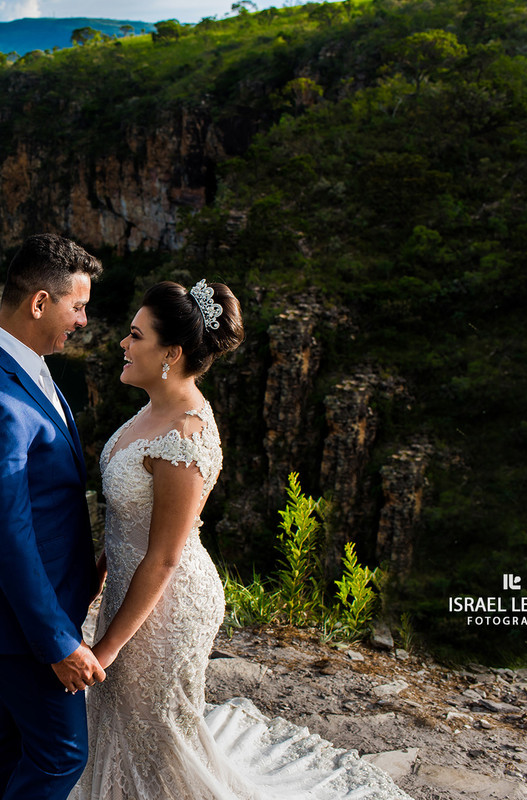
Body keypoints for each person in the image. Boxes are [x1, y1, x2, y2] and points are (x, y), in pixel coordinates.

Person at [72, 280, 413, 800]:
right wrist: (100, 569)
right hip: (130, 588)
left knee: (154, 732)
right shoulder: (153, 407)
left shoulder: (183, 436)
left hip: (168, 603)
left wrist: (107, 649)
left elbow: (164, 556)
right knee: (117, 718)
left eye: (135, 335)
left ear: (172, 353)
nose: (123, 342)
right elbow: (133, 518)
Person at [0, 233, 106, 800]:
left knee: (12, 736)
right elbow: (6, 536)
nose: (83, 321)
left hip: (40, 601)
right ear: (39, 302)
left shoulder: (19, 361)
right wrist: (57, 642)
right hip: (17, 620)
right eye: (77, 307)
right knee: (62, 754)